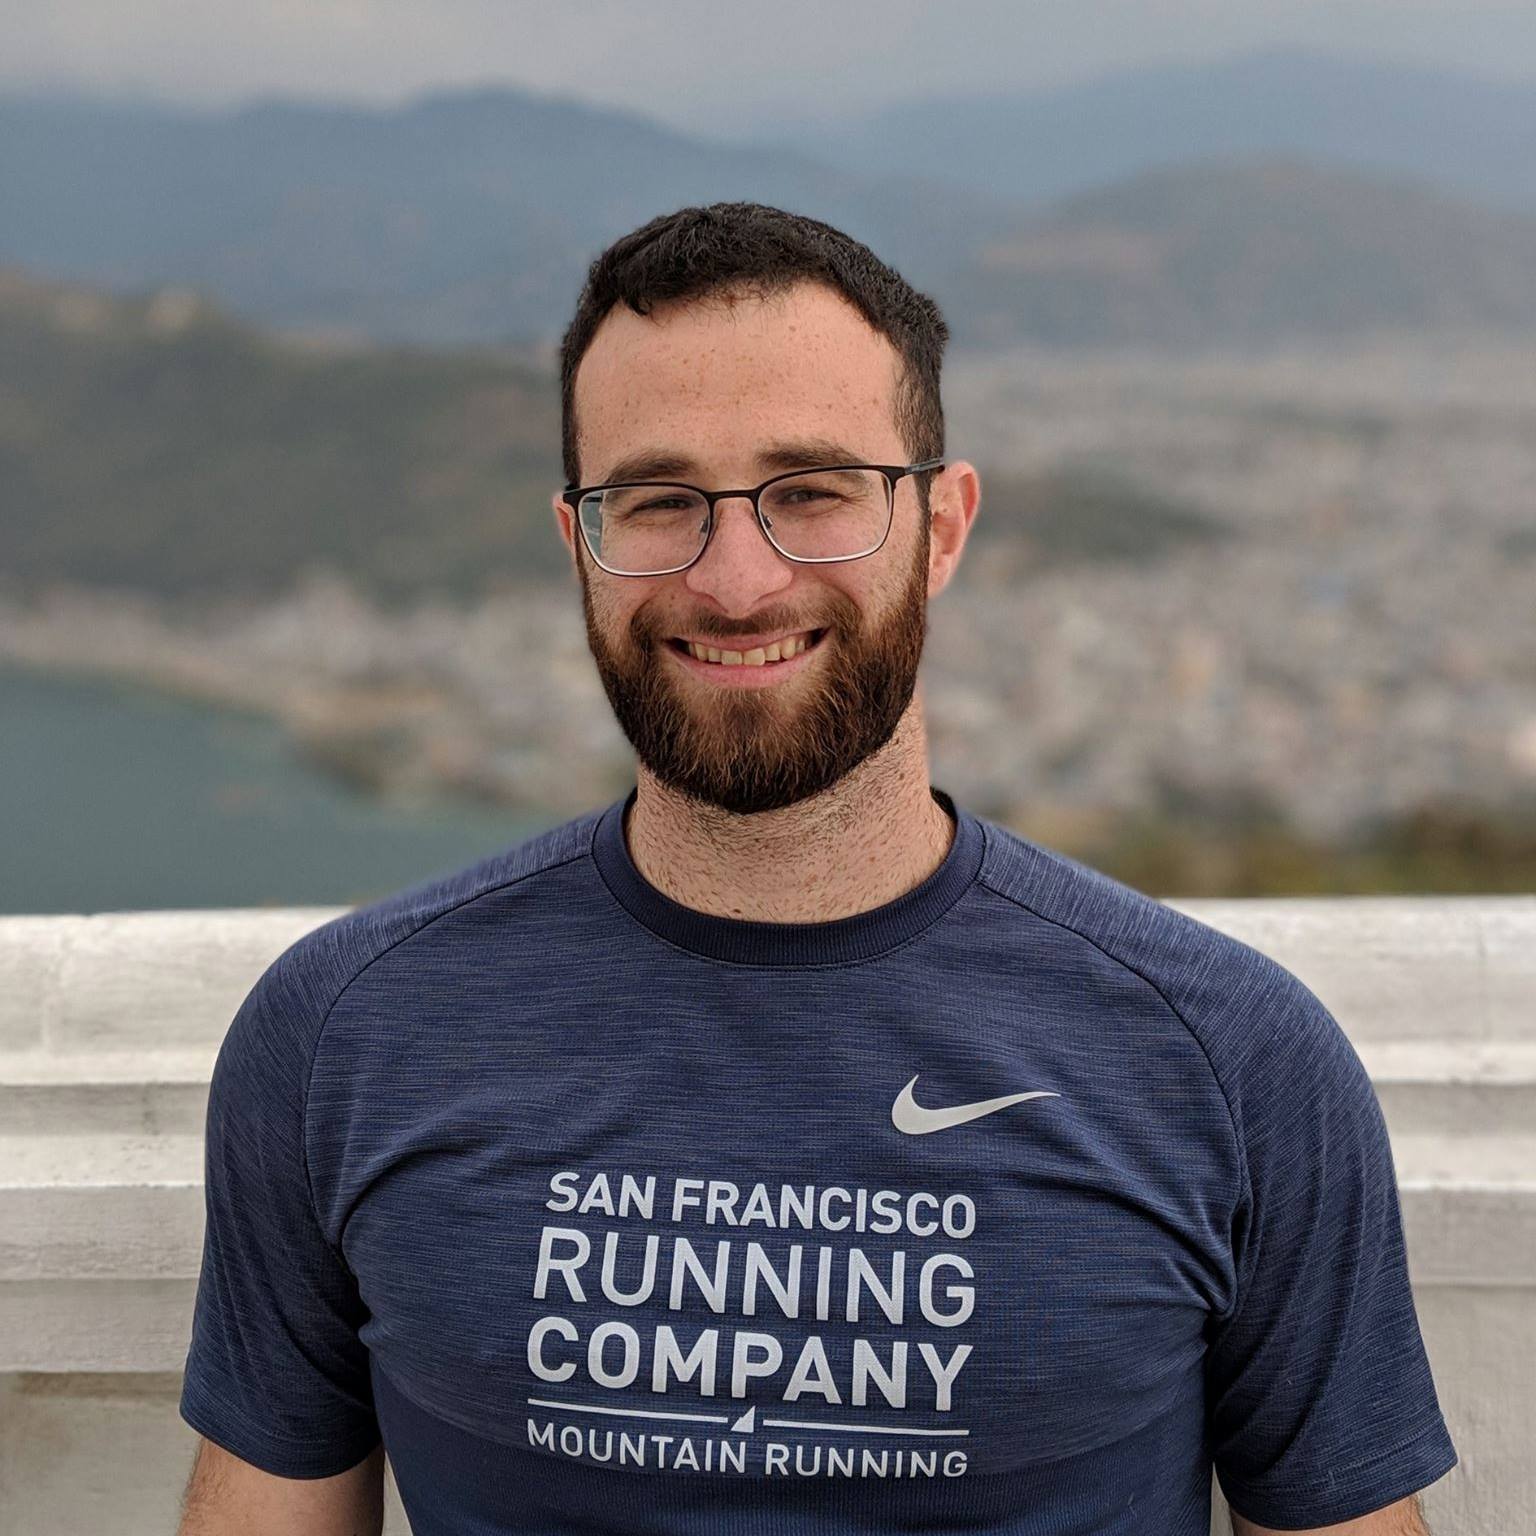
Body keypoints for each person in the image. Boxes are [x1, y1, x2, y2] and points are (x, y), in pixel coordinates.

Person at [176, 202, 1457, 1536]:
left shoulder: (1231, 1063)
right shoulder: (346, 1037)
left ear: (942, 528)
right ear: (579, 548)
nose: (737, 578)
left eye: (812, 493)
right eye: (660, 502)